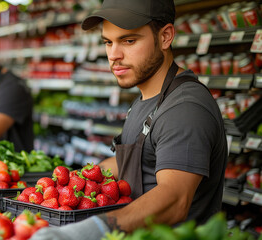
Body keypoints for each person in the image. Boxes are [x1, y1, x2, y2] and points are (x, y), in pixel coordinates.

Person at [30, 0, 228, 239]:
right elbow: (136, 162)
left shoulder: (185, 108)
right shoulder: (146, 99)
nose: (114, 55)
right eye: (108, 42)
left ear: (165, 36)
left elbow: (174, 199)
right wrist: (67, 184)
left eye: (129, 40)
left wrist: (91, 230)